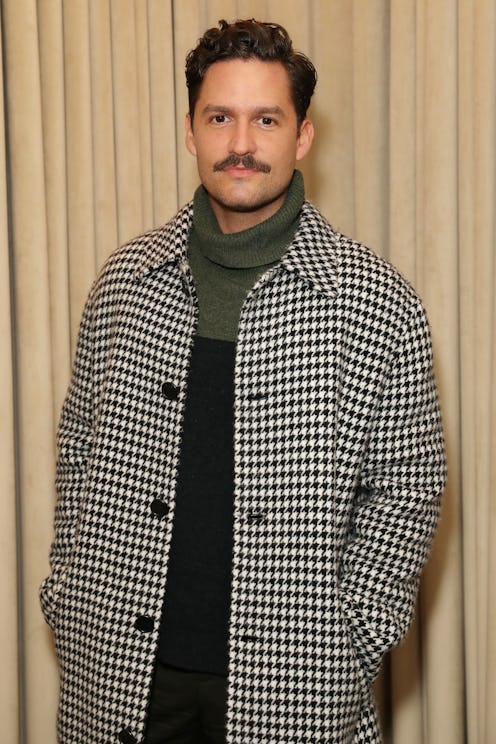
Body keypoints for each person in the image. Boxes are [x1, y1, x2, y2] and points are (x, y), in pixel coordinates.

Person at [40, 18, 446, 744]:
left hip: (297, 688)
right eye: (219, 117)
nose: (241, 144)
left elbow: (408, 488)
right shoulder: (123, 285)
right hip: (118, 675)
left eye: (267, 119)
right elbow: (78, 448)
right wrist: (66, 592)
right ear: (192, 133)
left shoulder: (378, 303)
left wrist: (352, 638)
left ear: (303, 137)